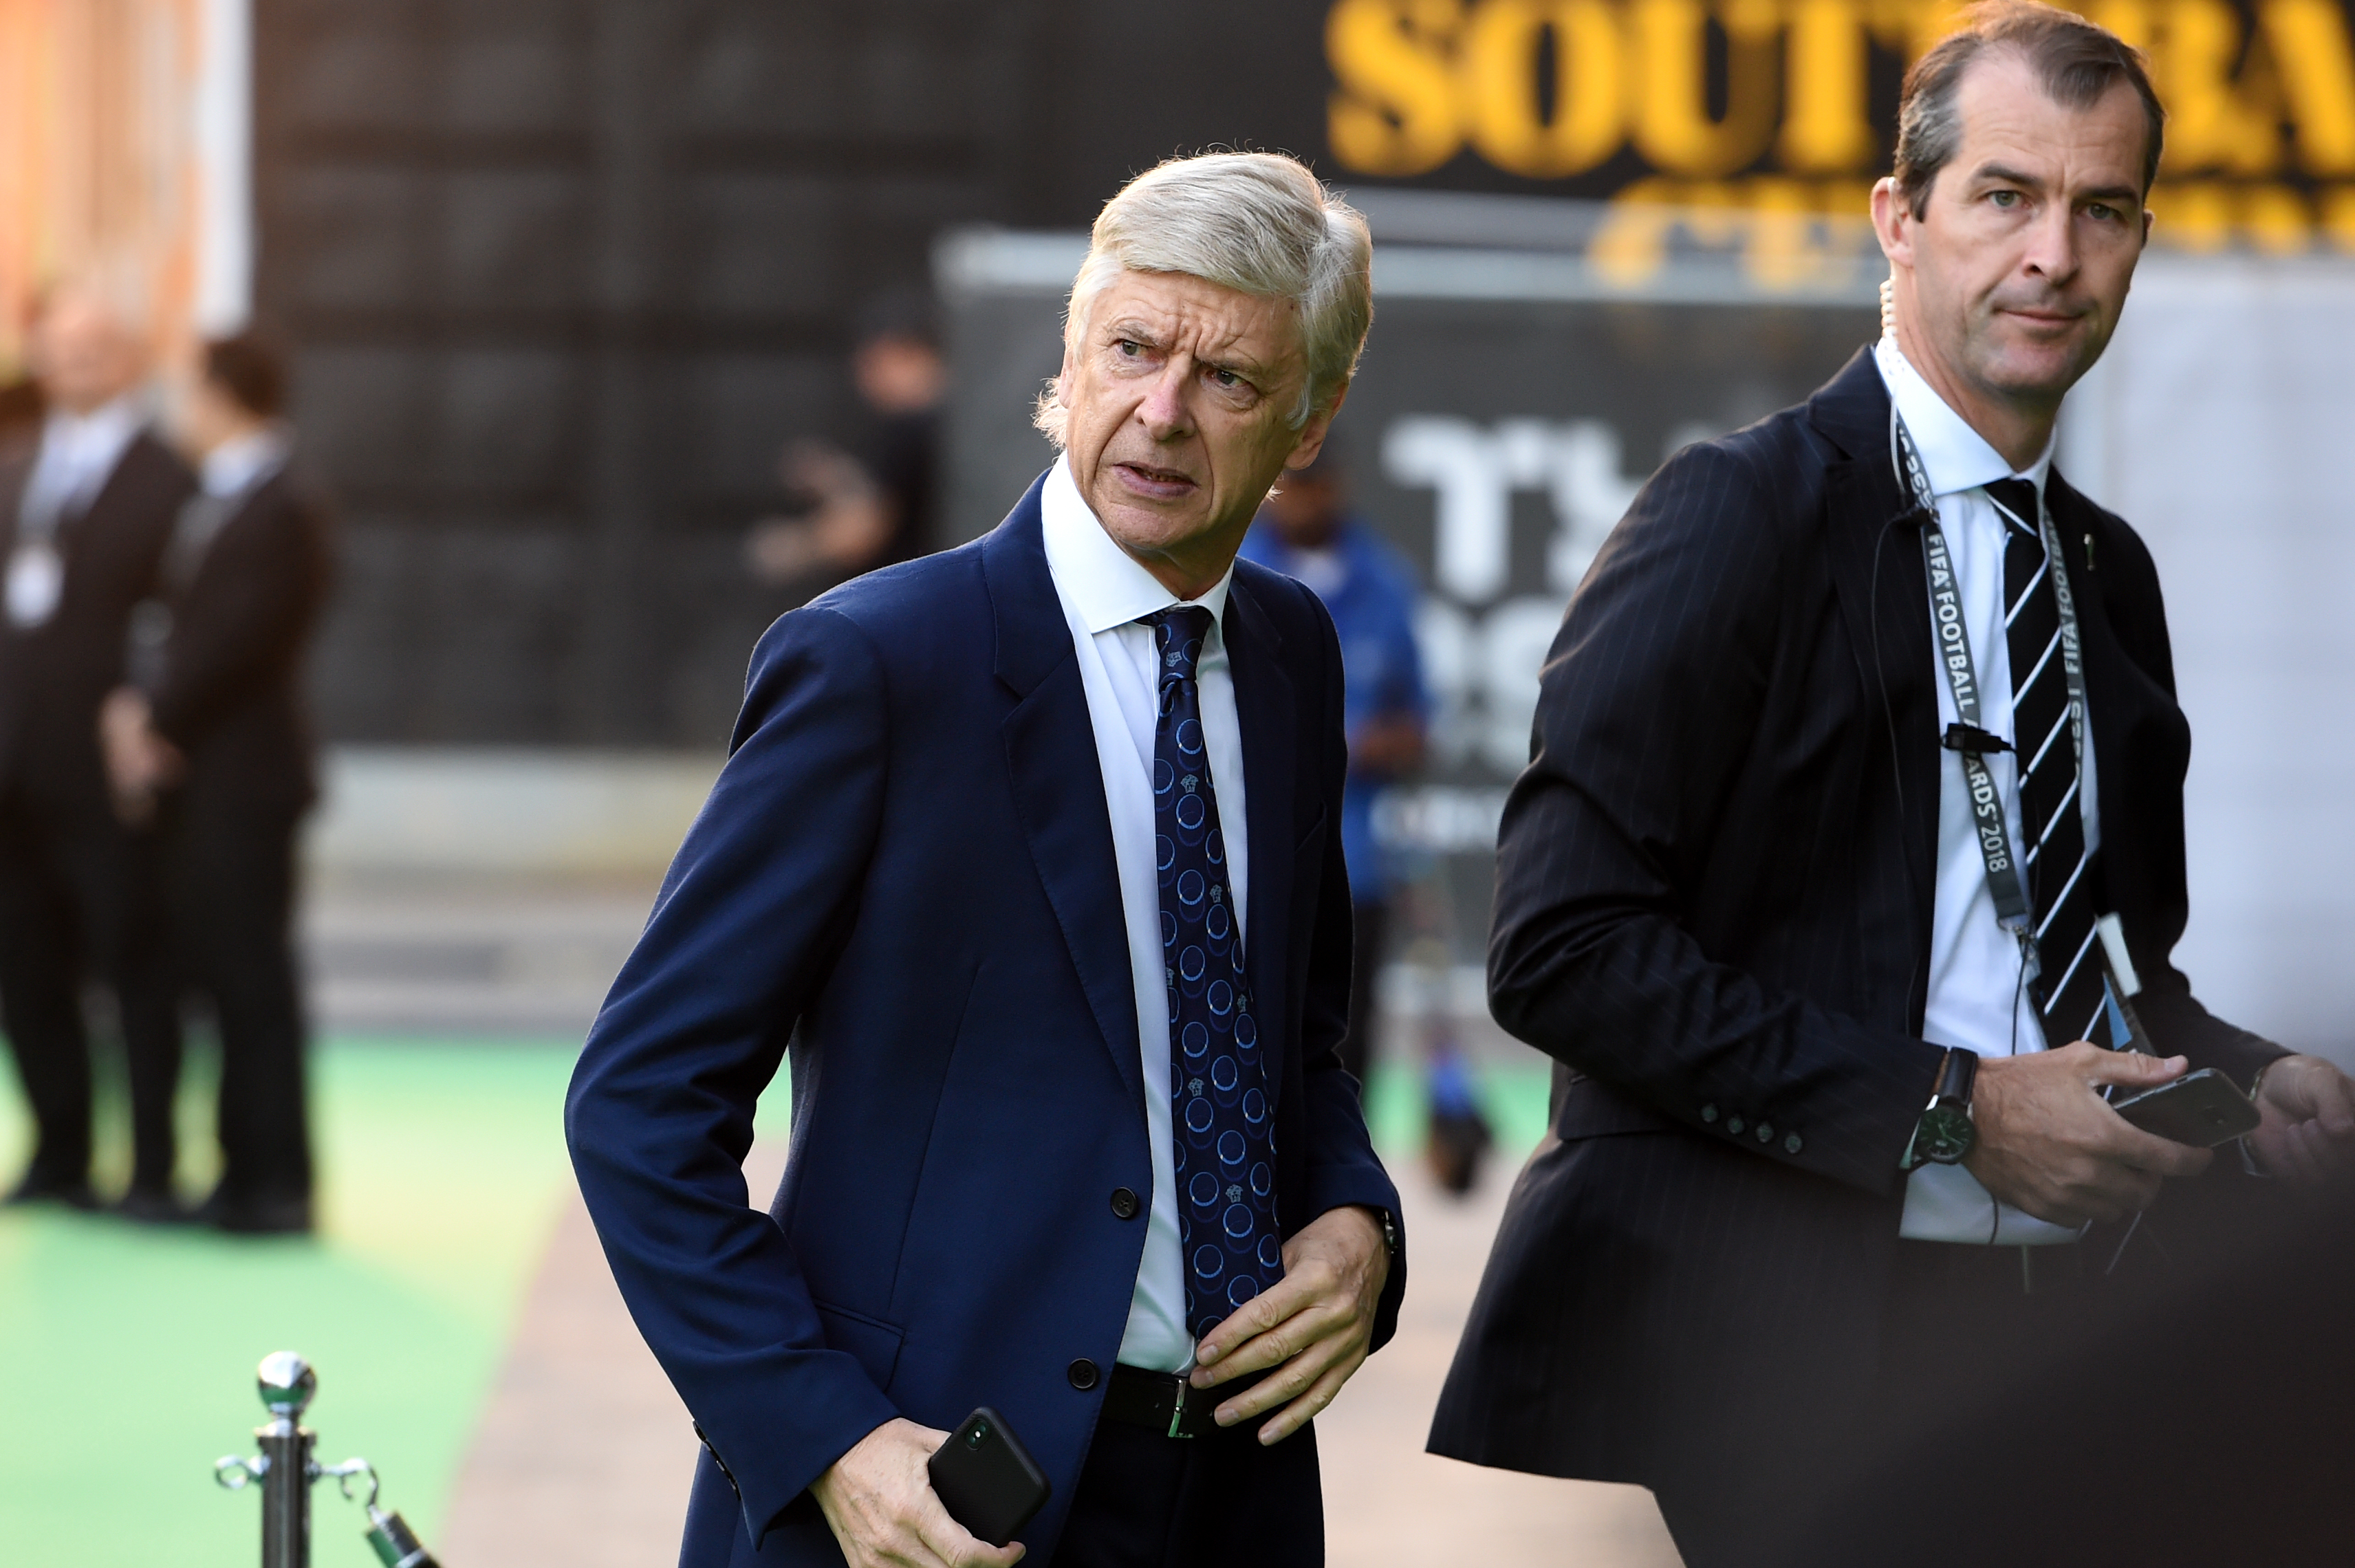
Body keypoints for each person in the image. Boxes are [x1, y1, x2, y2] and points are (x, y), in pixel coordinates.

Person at [1425, 6, 2355, 1563]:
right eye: (2005, 195)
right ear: (1898, 217)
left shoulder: (2108, 576)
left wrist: (2250, 1076)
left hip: (2067, 1333)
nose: (2052, 252)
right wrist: (1955, 1114)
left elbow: (2112, 973)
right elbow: (1560, 947)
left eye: (2101, 207)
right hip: (1793, 1350)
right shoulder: (1737, 511)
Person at [567, 152, 1405, 1568]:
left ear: (1311, 418)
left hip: (1237, 1501)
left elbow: (1294, 1051)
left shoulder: (1291, 656)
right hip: (930, 1508)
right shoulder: (877, 663)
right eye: (1130, 349)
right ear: (1068, 357)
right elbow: (639, 1108)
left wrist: (1354, 1228)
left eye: (1229, 382)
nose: (1161, 413)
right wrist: (824, 1436)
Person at [101, 329, 334, 1232]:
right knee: (214, 978)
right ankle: (235, 1171)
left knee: (252, 981)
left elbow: (232, 638)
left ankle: (274, 1184)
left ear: (222, 395)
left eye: (187, 392)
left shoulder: (283, 503)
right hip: (202, 782)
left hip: (246, 783)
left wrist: (152, 718)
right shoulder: (221, 495)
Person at [0, 281, 190, 1209]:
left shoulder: (170, 478)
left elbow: (180, 623)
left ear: (131, 359)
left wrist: (150, 723)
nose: (74, 362)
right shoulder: (14, 466)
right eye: (60, 346)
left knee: (135, 965)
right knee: (23, 963)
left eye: (95, 346)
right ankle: (60, 1151)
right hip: (15, 770)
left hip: (108, 776)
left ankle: (152, 1166)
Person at [1237, 441, 1428, 1098]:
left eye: (1316, 485)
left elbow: (1418, 724)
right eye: (1291, 484)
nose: (1304, 499)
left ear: (1338, 487)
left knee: (1347, 1049)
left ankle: (1342, 1192)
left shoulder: (1384, 581)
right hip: (1248, 856)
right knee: (1247, 1039)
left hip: (1357, 862)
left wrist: (1352, 745)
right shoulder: (1228, 569)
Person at [744, 295, 944, 597]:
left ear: (911, 355)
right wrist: (834, 475)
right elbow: (886, 492)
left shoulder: (914, 427)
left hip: (905, 603)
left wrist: (796, 546)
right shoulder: (948, 423)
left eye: (874, 364)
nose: (866, 381)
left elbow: (865, 528)